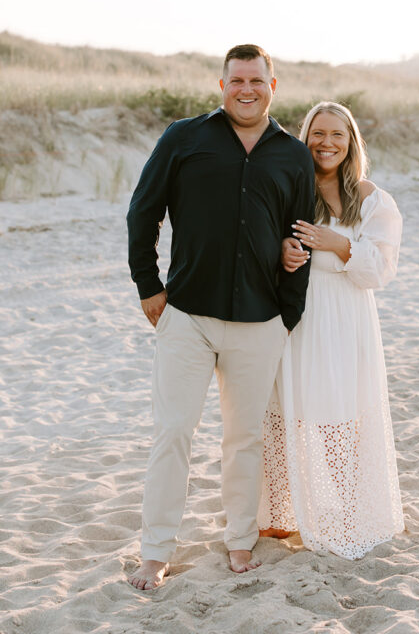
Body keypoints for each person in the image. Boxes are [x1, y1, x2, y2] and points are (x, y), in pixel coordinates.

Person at [126, 44, 315, 590]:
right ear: (222, 84)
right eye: (237, 80)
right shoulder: (184, 137)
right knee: (173, 434)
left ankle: (239, 540)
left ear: (272, 85)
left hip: (260, 322)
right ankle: (155, 551)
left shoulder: (292, 155)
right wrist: (148, 288)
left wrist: (288, 313)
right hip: (185, 316)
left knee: (244, 438)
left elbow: (299, 233)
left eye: (256, 80)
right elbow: (144, 210)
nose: (246, 89)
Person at [258, 101, 404, 559]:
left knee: (341, 412)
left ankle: (343, 512)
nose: (326, 143)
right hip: (299, 315)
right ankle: (280, 517)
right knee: (286, 413)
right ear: (305, 139)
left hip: (348, 317)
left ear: (351, 141)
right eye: (317, 133)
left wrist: (340, 244)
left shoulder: (370, 197)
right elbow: (264, 245)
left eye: (336, 134)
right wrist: (284, 252)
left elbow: (379, 272)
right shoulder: (292, 188)